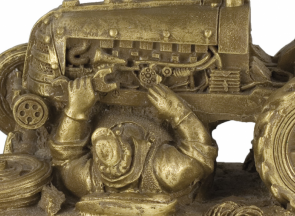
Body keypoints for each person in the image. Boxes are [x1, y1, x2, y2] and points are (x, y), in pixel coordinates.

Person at [49, 76, 217, 203]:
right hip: (161, 120)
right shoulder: (163, 170)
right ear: (132, 151)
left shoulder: (90, 180)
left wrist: (76, 110)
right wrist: (178, 112)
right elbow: (200, 156)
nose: (116, 132)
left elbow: (64, 159)